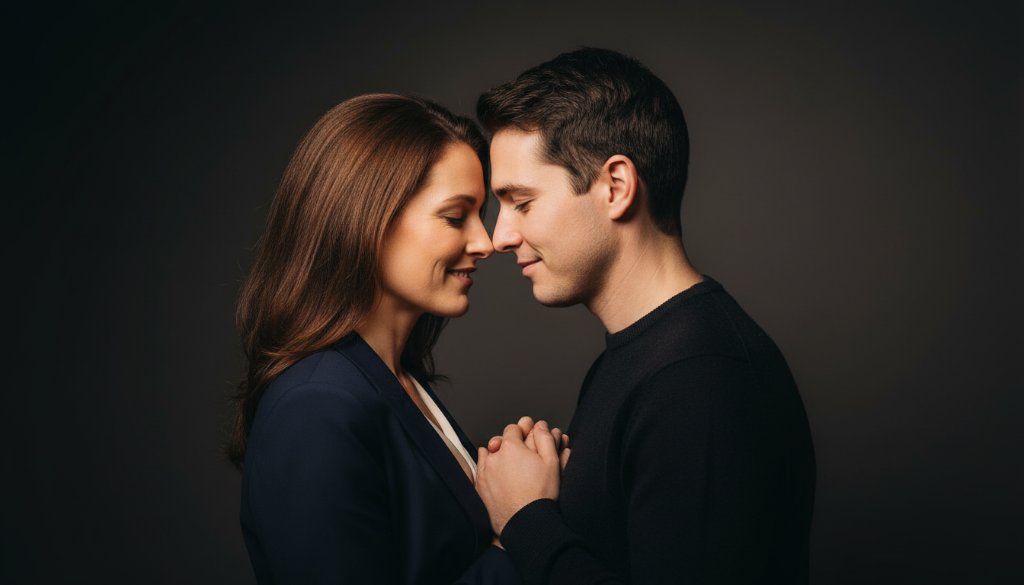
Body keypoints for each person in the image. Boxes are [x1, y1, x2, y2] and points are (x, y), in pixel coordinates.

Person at [473, 48, 817, 584]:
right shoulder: (645, 358)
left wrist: (526, 520)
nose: (500, 237)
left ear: (615, 186)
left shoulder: (700, 377)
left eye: (521, 201)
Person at [228, 94, 523, 584]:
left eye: (480, 214)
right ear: (369, 219)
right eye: (455, 217)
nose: (485, 242)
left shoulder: (393, 378)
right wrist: (520, 535)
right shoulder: (316, 406)